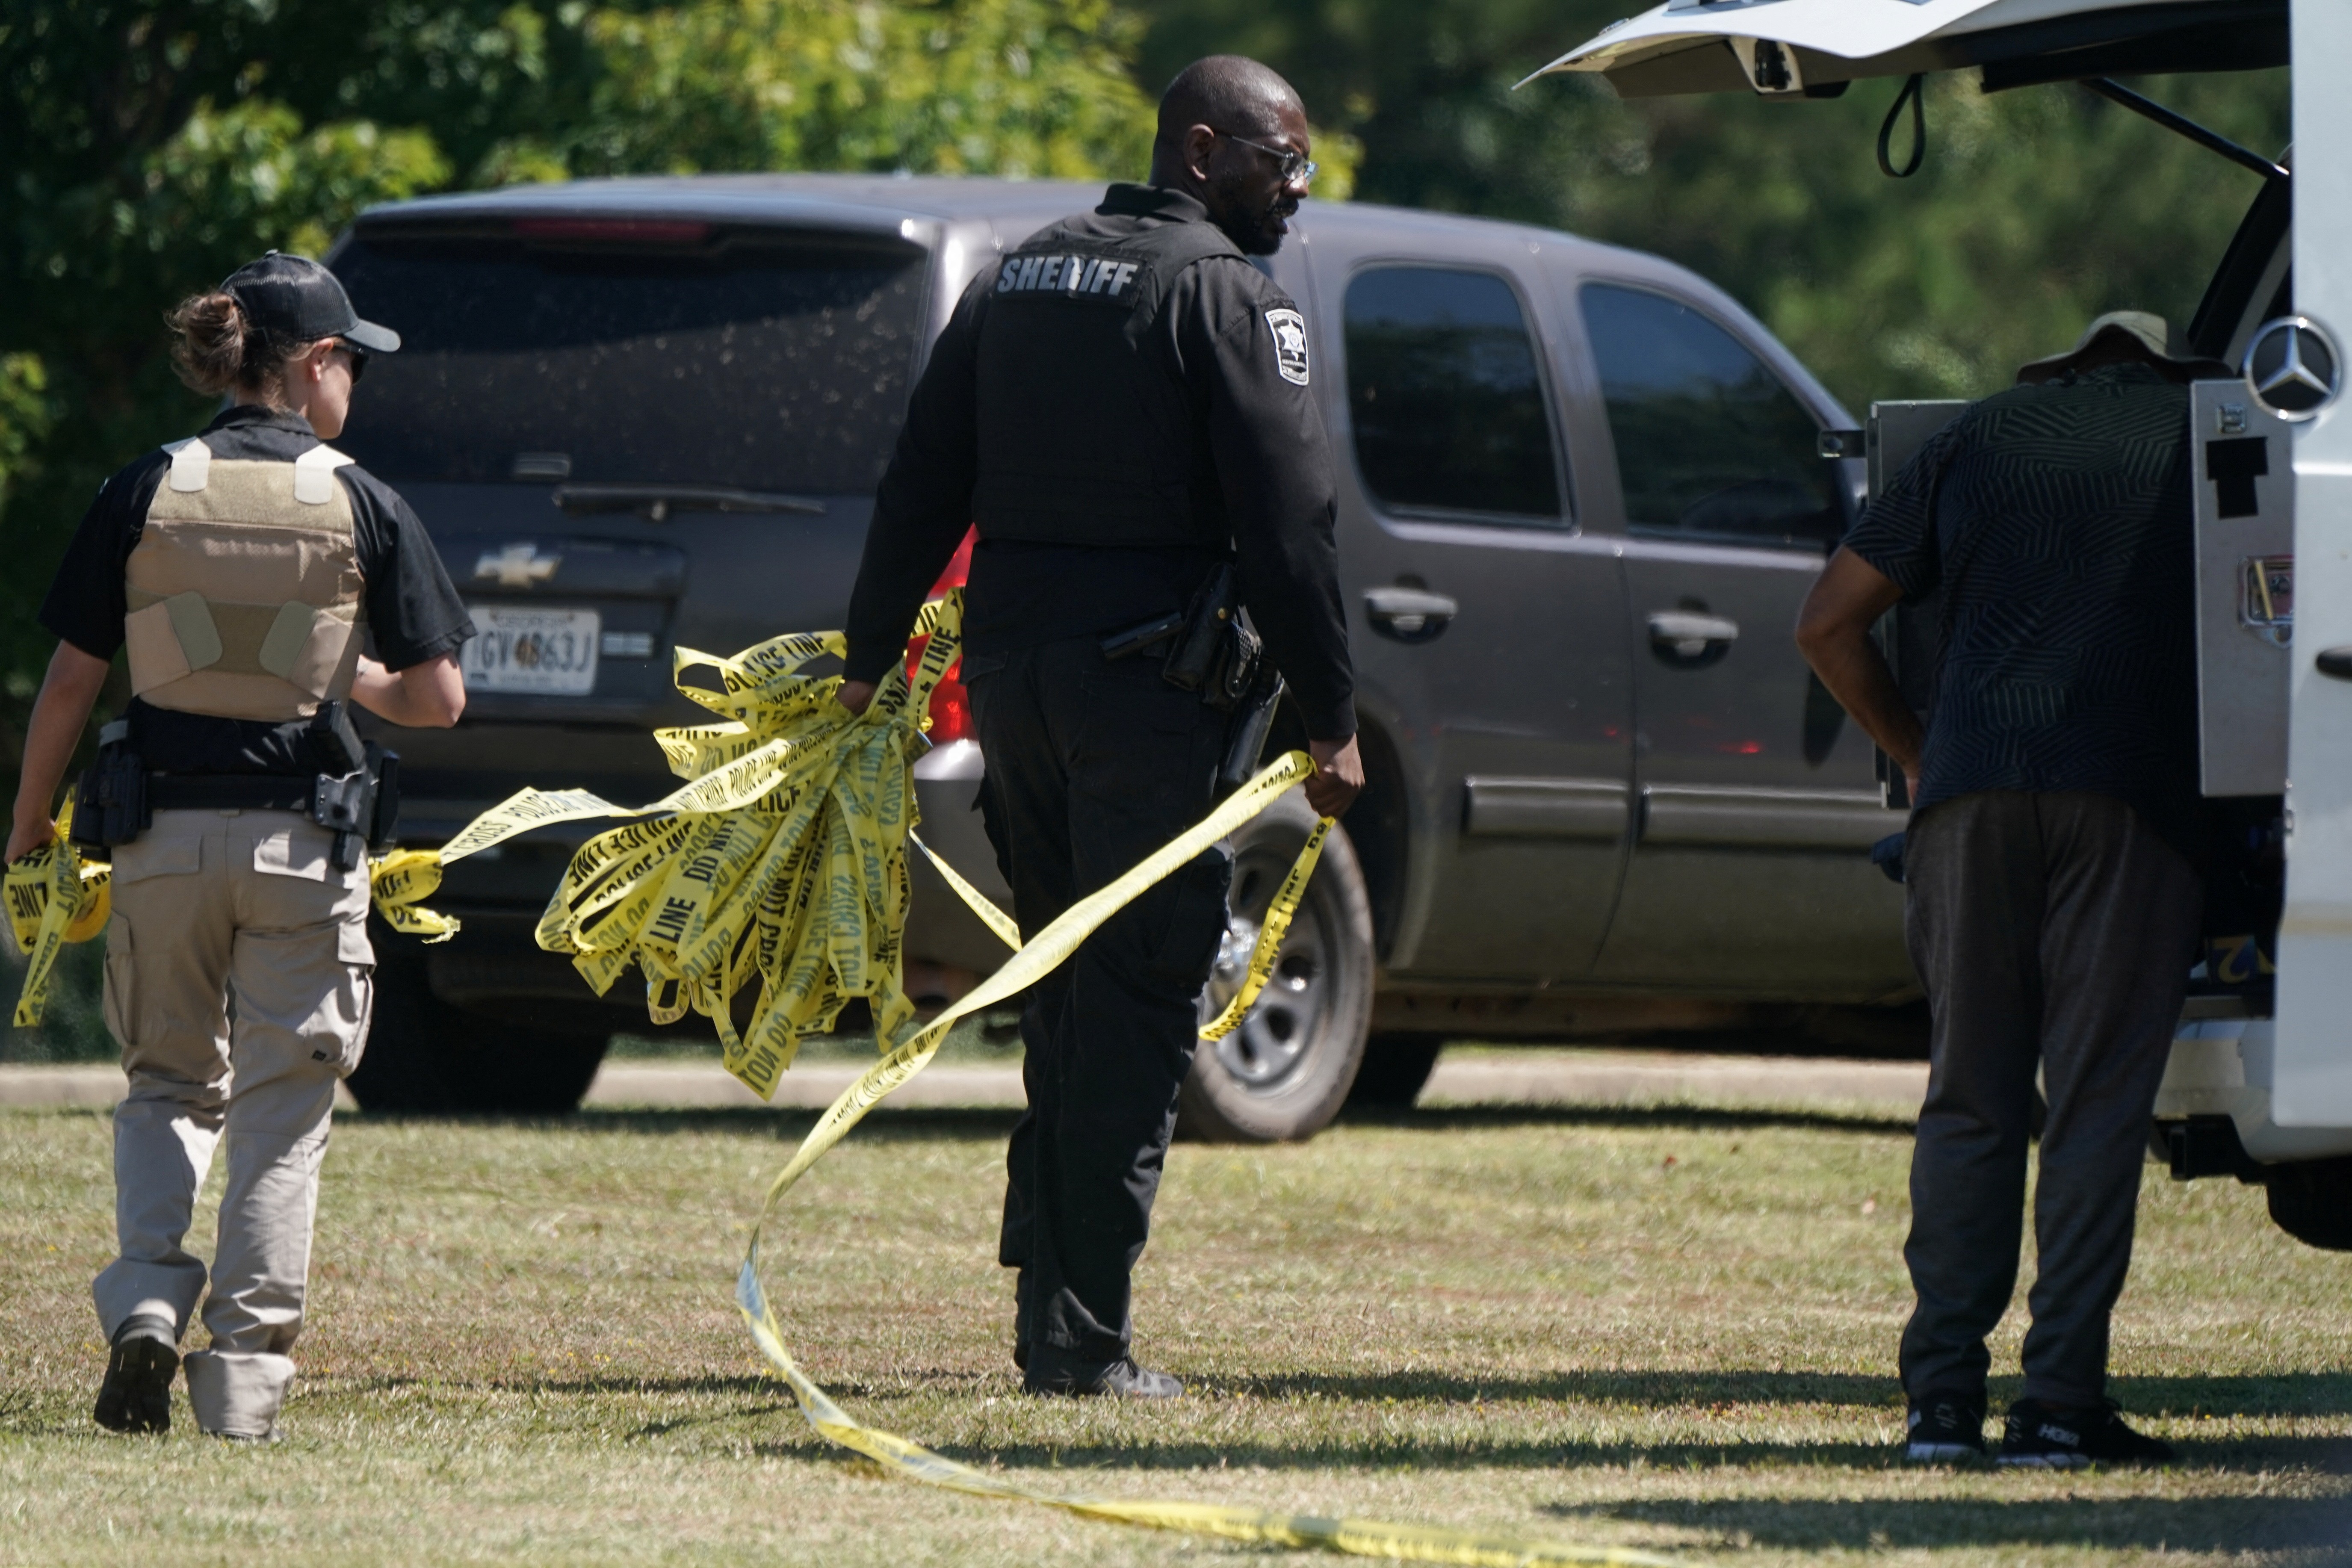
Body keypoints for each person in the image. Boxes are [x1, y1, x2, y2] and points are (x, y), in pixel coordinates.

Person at [837, 56, 1363, 1398]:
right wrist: (1332, 717)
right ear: (1199, 150)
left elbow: (919, 479)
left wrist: (868, 653)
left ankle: (1049, 1311)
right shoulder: (1223, 297)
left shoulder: (1018, 274)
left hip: (1018, 686)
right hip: (1151, 702)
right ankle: (1086, 1340)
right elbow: (1291, 530)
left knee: (1067, 987)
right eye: (1278, 161)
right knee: (1134, 999)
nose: (1296, 191)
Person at [6, 252, 474, 1440]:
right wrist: (334, 672)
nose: (354, 383)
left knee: (166, 1083)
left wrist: (26, 832)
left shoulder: (145, 486)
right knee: (280, 1105)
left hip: (156, 839)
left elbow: (70, 679)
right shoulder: (363, 498)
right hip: (301, 852)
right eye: (350, 362)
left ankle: (149, 1301)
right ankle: (248, 1378)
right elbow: (438, 697)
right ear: (315, 364)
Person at [1796, 310, 2229, 1468]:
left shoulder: (1977, 434)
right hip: (2130, 800)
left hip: (1965, 798)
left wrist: (1914, 749)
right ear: (2168, 369)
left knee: (1970, 1098)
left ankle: (1938, 1404)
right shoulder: (2209, 434)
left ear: (2060, 373)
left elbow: (1826, 621)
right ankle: (2057, 1403)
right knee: (2091, 1104)